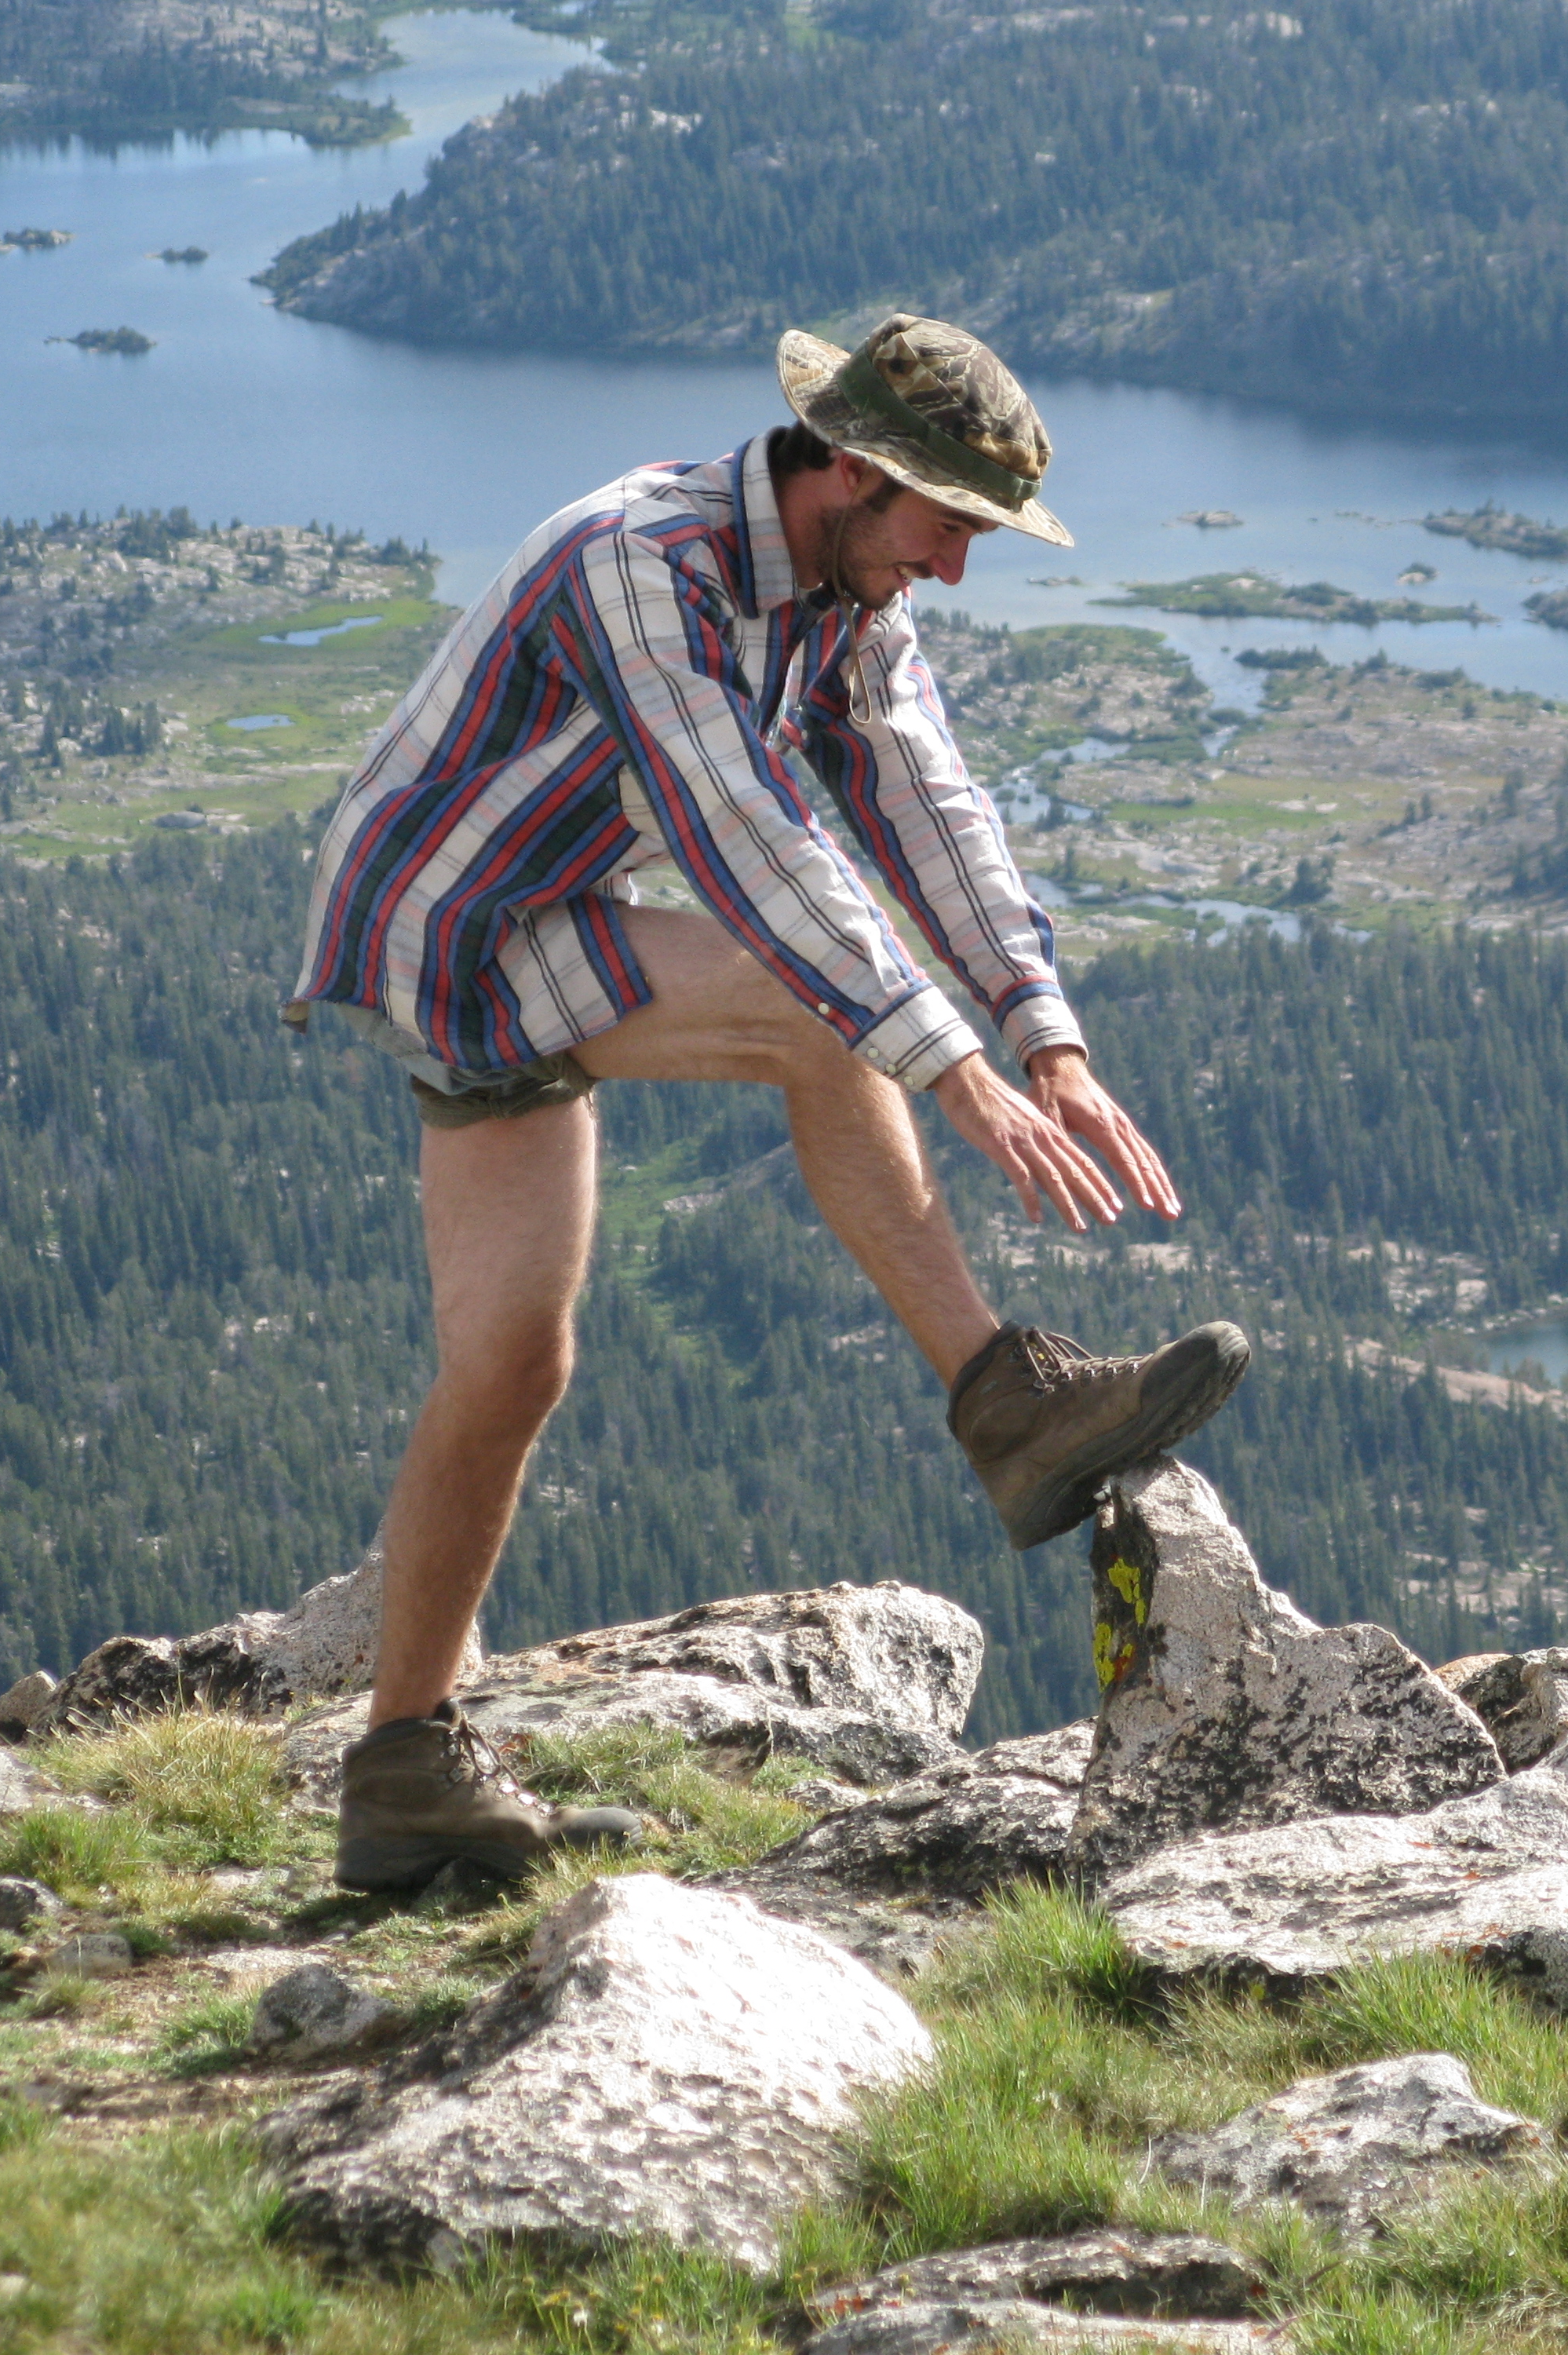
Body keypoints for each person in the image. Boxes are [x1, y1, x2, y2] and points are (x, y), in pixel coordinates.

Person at [285, 313, 1248, 1893]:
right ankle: (1005, 1404)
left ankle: (400, 1770)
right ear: (856, 475)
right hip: (448, 935)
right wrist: (944, 1066)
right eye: (947, 525)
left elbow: (926, 799)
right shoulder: (637, 564)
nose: (951, 568)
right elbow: (748, 840)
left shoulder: (840, 587)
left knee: (510, 1368)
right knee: (817, 1016)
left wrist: (1042, 1032)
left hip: (541, 924)